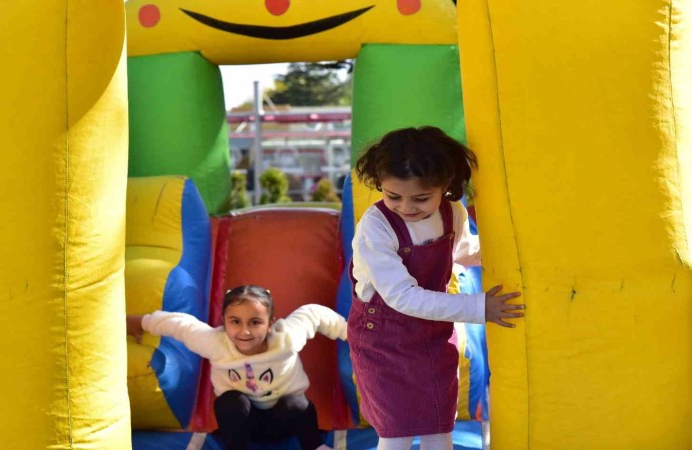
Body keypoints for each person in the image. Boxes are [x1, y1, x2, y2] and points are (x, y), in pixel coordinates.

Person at [347, 126, 525, 450]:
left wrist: (512, 251)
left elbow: (464, 251)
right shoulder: (376, 226)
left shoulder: (451, 212)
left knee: (439, 423)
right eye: (393, 196)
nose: (406, 207)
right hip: (384, 336)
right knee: (396, 429)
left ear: (445, 186)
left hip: (432, 333)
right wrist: (479, 306)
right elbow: (402, 296)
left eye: (421, 198)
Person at [127, 285, 346, 450]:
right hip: (244, 426)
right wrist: (139, 322)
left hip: (285, 423)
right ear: (224, 322)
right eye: (235, 322)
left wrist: (350, 334)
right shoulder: (215, 342)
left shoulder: (286, 338)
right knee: (230, 402)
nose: (244, 331)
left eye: (255, 322)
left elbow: (315, 314)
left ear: (270, 324)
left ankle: (314, 445)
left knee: (295, 403)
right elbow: (181, 325)